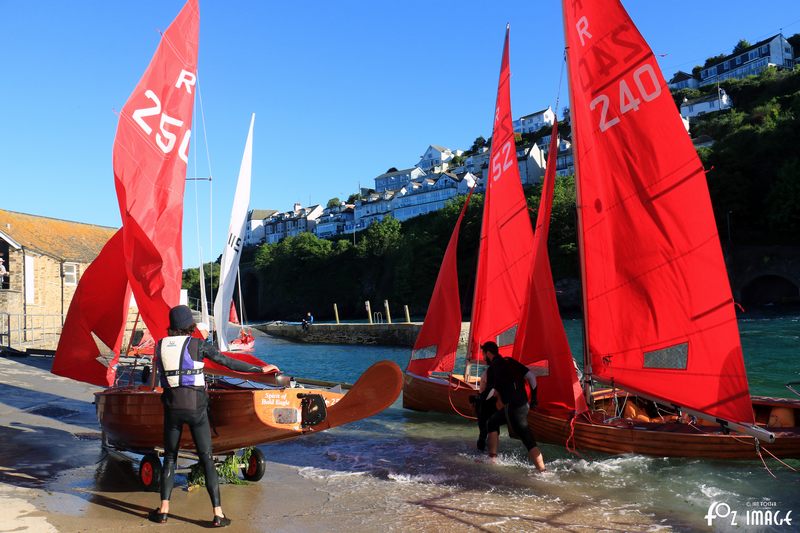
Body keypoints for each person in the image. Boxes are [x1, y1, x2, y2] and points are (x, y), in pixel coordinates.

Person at [149, 305, 277, 527]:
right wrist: (259, 370)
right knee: (206, 458)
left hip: (172, 409)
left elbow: (156, 377)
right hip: (196, 409)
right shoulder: (197, 345)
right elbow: (227, 361)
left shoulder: (159, 346)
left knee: (170, 457)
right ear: (189, 325)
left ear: (171, 326)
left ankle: (163, 511)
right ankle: (218, 514)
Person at [478, 340, 546, 472]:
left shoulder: (493, 369)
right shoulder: (511, 361)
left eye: (483, 354)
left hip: (514, 409)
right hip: (524, 405)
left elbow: (492, 391)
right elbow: (531, 377)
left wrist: (481, 400)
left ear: (488, 353)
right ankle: (492, 459)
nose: (483, 357)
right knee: (492, 422)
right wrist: (534, 398)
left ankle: (543, 472)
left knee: (528, 440)